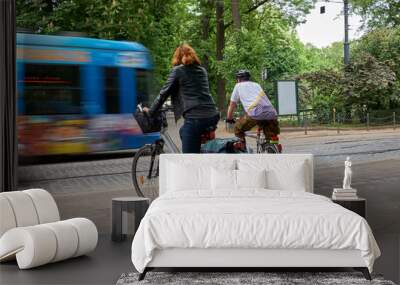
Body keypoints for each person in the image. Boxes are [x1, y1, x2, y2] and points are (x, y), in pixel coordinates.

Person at [143, 44, 219, 153]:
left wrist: (151, 111)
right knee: (183, 131)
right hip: (213, 116)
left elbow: (163, 93)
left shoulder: (178, 71)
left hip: (196, 118)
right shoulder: (202, 70)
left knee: (187, 161)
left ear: (177, 58)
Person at [226, 70, 280, 147]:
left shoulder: (238, 86)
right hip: (271, 112)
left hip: (255, 113)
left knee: (237, 129)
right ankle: (275, 146)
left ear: (238, 79)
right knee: (271, 136)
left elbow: (232, 105)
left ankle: (242, 147)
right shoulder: (256, 85)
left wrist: (229, 118)